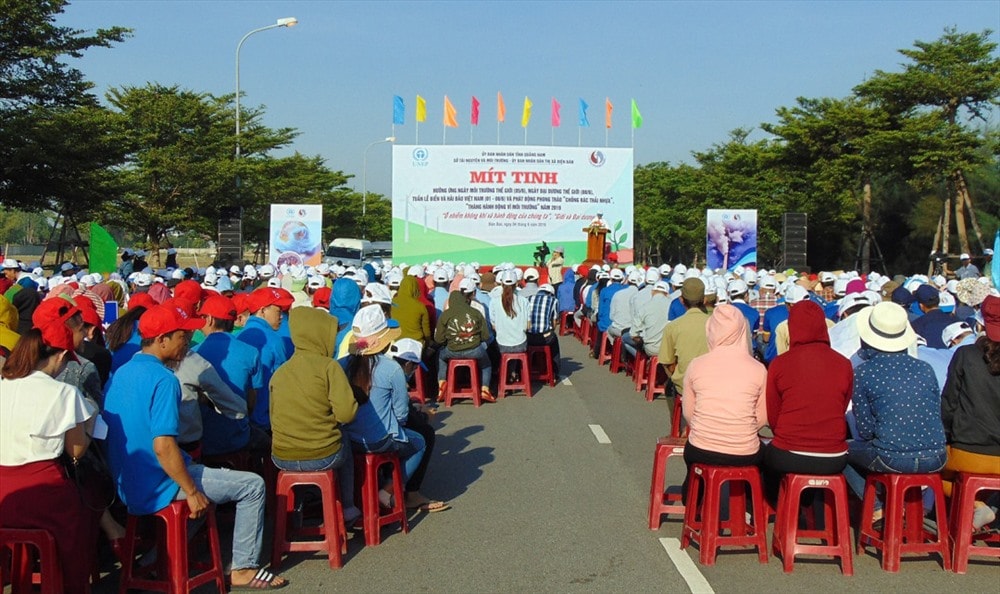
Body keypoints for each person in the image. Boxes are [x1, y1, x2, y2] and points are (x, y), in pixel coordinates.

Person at [102, 302, 287, 590]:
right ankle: (244, 568)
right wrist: (190, 490)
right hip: (159, 481)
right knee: (253, 486)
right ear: (162, 340)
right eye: (181, 337)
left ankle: (156, 558)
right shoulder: (164, 379)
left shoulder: (121, 372)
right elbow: (164, 446)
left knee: (203, 493)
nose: (187, 343)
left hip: (126, 483)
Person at [0, 304, 101, 593]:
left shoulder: (3, 383)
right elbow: (76, 451)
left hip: (3, 492)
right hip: (43, 492)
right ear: (59, 356)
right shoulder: (63, 393)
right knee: (84, 518)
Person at [843, 302, 947, 506]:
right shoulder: (924, 368)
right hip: (937, 457)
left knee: (840, 453)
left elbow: (864, 430)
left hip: (891, 457)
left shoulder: (864, 372)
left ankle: (878, 507)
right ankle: (919, 509)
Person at [345, 306, 449, 512]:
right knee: (419, 441)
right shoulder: (391, 369)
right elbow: (401, 416)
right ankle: (386, 492)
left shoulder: (341, 365)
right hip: (379, 440)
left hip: (349, 437)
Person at [269, 305, 362, 526]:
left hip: (282, 457)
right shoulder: (329, 367)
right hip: (323, 455)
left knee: (301, 449)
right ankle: (348, 507)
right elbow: (347, 414)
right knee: (344, 439)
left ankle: (296, 516)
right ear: (320, 334)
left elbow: (273, 417)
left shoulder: (280, 373)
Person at [762, 301, 853, 505]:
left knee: (762, 460)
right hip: (835, 456)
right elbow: (842, 405)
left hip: (788, 452)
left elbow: (773, 415)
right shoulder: (844, 364)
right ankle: (806, 506)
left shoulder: (780, 363)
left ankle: (782, 507)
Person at [681, 304, 768, 497]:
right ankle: (748, 506)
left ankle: (695, 500)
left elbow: (688, 413)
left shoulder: (697, 365)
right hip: (744, 451)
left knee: (692, 456)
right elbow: (761, 418)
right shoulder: (758, 369)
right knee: (763, 458)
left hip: (701, 447)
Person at [940, 295, 1000, 530]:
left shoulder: (964, 355)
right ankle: (989, 508)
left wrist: (946, 438)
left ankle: (978, 506)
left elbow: (949, 405)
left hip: (967, 452)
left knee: (935, 473)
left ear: (980, 324)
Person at [236, 287, 293, 431]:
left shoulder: (239, 337)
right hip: (266, 419)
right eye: (278, 311)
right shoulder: (275, 340)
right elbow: (282, 383)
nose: (281, 316)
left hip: (242, 419)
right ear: (262, 311)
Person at [435, 287, 493, 401]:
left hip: (452, 350)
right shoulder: (475, 312)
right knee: (486, 364)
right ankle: (485, 388)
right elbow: (486, 336)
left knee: (440, 358)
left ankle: (441, 383)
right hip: (475, 350)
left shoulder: (445, 314)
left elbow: (439, 339)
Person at [490, 270, 530, 364]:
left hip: (502, 344)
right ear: (516, 284)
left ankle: (508, 372)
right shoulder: (524, 301)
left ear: (501, 284)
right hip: (521, 343)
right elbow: (528, 326)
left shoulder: (494, 302)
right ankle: (514, 372)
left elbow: (494, 327)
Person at [526, 283, 561, 379]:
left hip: (528, 337)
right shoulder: (554, 300)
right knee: (554, 341)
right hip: (545, 338)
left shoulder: (528, 299)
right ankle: (554, 371)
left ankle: (527, 368)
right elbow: (554, 322)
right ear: (551, 293)